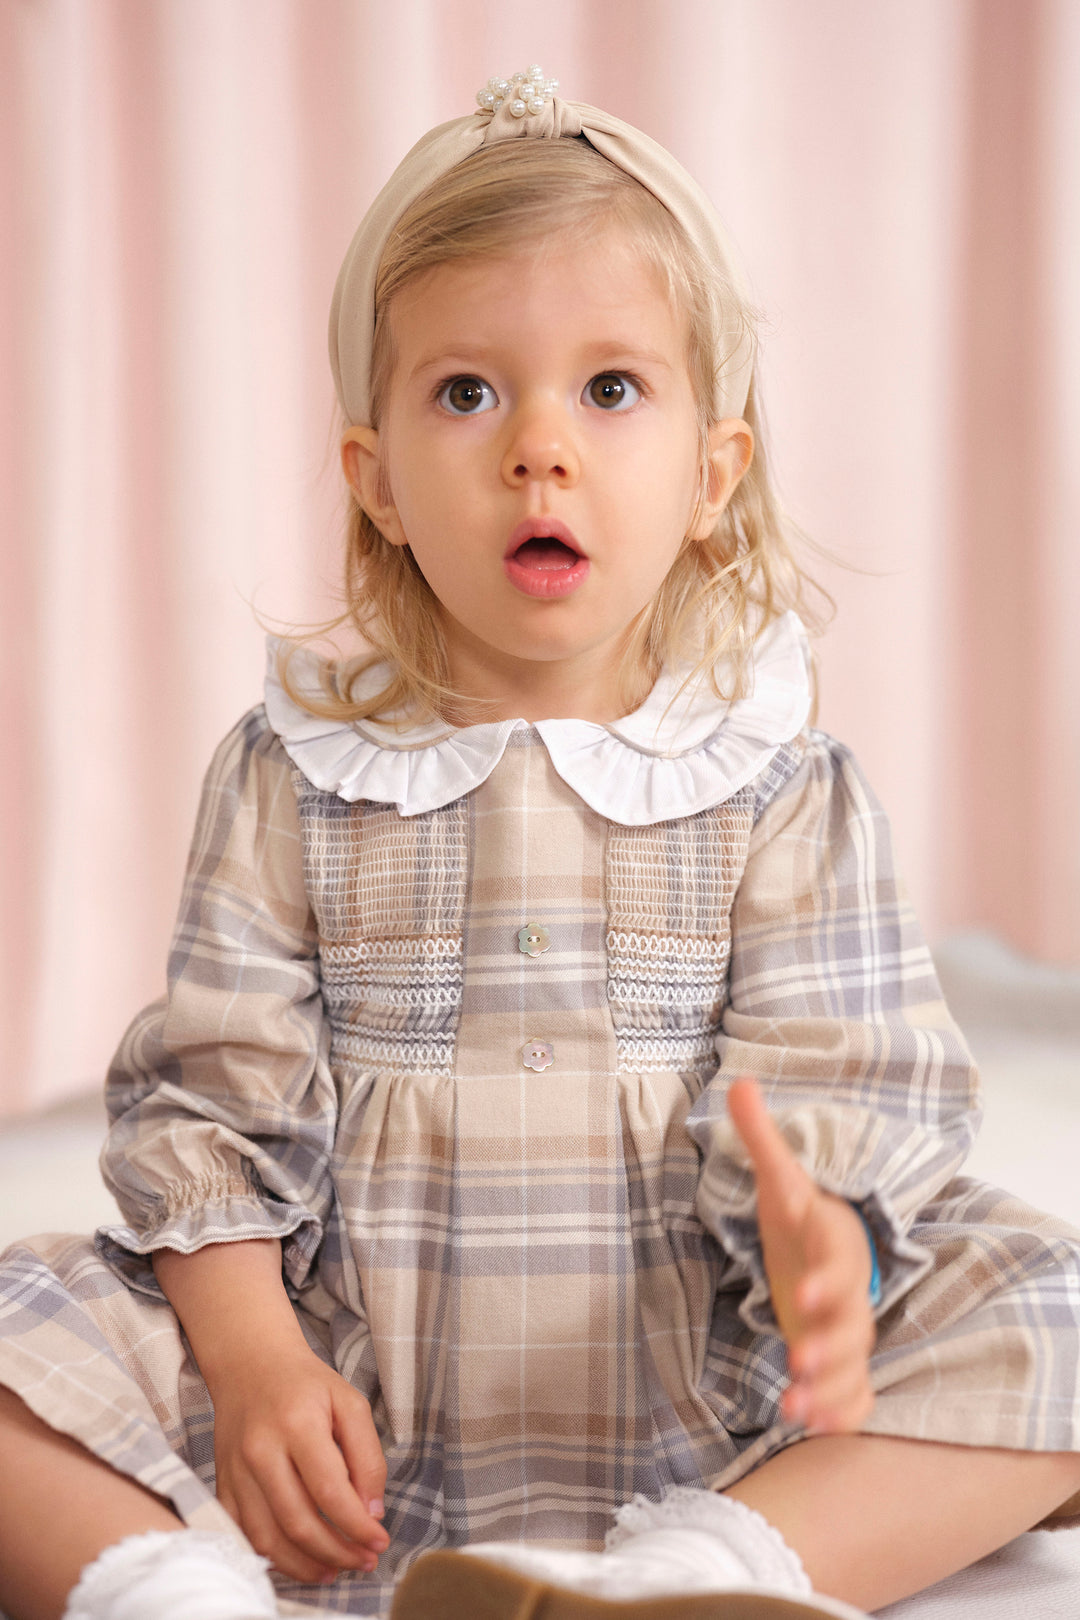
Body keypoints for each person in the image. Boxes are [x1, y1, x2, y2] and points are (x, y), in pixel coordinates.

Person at [1, 66, 1078, 1620]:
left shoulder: (776, 779)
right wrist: (251, 1370)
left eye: (611, 389)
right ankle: (164, 1592)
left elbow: (840, 1084)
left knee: (1051, 1301)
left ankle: (710, 1570)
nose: (539, 451)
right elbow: (210, 1115)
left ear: (715, 477)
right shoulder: (294, 774)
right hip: (342, 1379)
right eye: (467, 393)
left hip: (710, 1391)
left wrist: (818, 1239)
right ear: (375, 485)